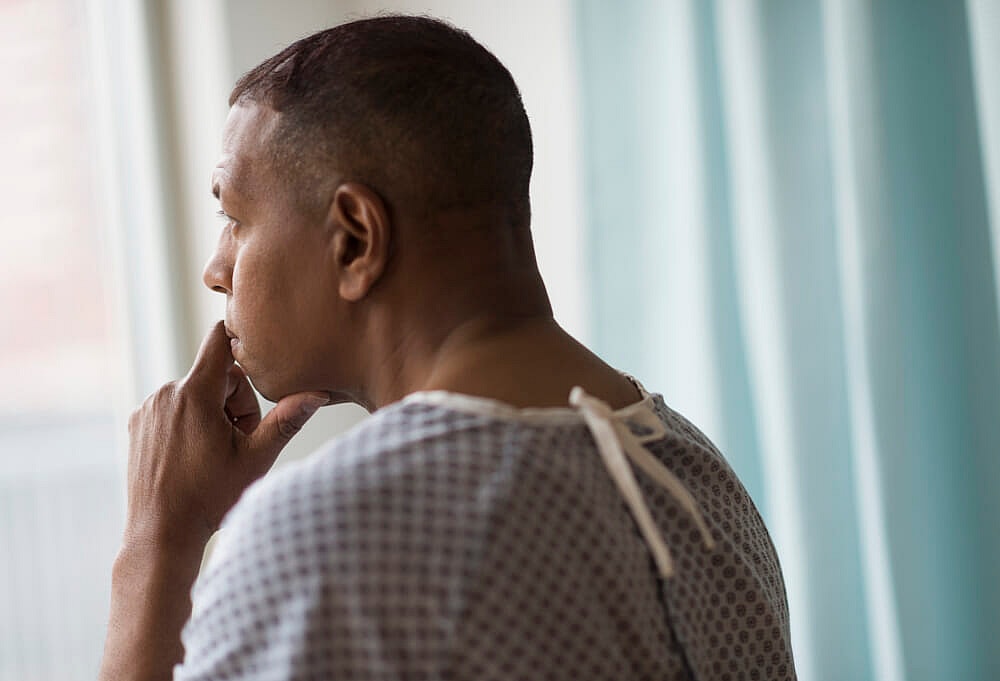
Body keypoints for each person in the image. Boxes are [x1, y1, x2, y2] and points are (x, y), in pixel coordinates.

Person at [98, 14, 796, 681]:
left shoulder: (330, 538)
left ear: (355, 239)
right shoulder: (700, 481)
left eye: (233, 216)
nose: (215, 270)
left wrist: (158, 540)